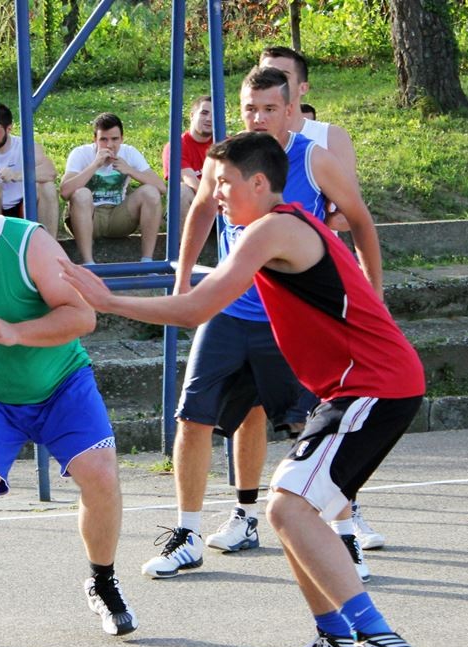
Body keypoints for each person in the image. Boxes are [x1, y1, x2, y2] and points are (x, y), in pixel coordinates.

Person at [60, 130, 425, 647]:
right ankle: (336, 640)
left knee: (288, 507)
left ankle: (379, 641)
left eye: (225, 183)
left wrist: (109, 301)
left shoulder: (273, 229)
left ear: (259, 182)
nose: (216, 193)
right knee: (290, 507)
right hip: (355, 386)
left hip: (375, 385)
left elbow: (197, 309)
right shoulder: (274, 228)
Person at [141, 67, 382, 581]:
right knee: (194, 417)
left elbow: (360, 219)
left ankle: (343, 538)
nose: (258, 117)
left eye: (269, 108)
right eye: (250, 108)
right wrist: (182, 279)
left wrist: (373, 293)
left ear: (291, 108)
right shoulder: (226, 157)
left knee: (312, 428)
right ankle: (191, 533)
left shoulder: (314, 159)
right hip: (230, 311)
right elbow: (200, 211)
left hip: (291, 318)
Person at [0, 212, 137, 647]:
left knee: (101, 472)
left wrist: (15, 332)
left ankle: (102, 582)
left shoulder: (27, 242)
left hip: (62, 383)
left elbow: (83, 316)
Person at [260, 45, 387, 553]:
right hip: (264, 294)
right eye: (264, 76)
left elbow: (349, 212)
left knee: (332, 410)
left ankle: (346, 520)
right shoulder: (249, 143)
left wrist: (370, 289)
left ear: (300, 90)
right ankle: (243, 513)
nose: (272, 84)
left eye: (282, 77)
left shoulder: (323, 141)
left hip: (321, 288)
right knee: (249, 412)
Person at [60, 112, 165, 264]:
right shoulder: (81, 153)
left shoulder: (129, 153)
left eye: (115, 139)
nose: (109, 145)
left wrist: (130, 170)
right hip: (89, 217)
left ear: (122, 138)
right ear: (95, 139)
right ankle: (89, 263)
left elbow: (161, 188)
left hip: (119, 216)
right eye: (103, 139)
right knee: (81, 194)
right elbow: (65, 192)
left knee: (151, 192)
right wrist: (94, 165)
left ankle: (147, 261)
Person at [0, 103, 60, 240]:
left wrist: (17, 175)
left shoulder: (25, 146)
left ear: (9, 129)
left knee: (47, 188)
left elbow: (50, 172)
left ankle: (48, 244)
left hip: (21, 206)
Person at [161, 95, 214, 230]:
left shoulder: (226, 143)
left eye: (214, 114)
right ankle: (181, 243)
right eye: (204, 113)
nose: (209, 119)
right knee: (182, 191)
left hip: (223, 210)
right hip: (197, 208)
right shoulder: (176, 146)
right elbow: (191, 181)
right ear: (192, 115)